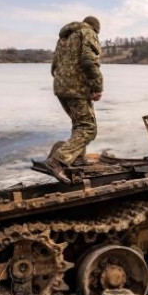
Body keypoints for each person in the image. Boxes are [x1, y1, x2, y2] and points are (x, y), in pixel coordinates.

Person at [43, 16, 103, 183]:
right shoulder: (88, 32)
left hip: (60, 87)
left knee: (79, 125)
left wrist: (63, 82)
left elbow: (54, 66)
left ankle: (75, 158)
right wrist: (97, 87)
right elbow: (88, 61)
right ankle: (57, 160)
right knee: (88, 128)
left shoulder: (64, 37)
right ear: (96, 28)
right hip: (77, 87)